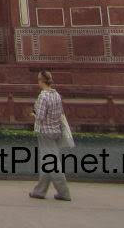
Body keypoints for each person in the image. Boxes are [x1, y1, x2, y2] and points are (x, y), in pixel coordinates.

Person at [29, 70, 72, 201]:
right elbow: (60, 114)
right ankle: (39, 191)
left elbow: (40, 117)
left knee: (51, 163)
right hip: (55, 131)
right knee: (47, 161)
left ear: (41, 81)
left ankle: (64, 192)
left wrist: (33, 115)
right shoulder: (56, 95)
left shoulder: (43, 96)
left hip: (45, 132)